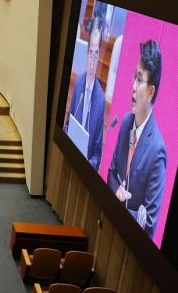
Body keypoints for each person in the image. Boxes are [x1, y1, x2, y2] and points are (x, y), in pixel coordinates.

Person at [107, 40, 166, 238]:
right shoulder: (125, 123)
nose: (133, 86)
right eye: (135, 77)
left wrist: (123, 207)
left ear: (150, 92)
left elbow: (149, 221)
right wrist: (117, 194)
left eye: (139, 80)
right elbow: (112, 172)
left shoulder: (157, 149)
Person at [64, 15, 106, 170]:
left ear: (99, 56)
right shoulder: (79, 83)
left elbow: (97, 155)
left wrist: (88, 166)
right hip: (70, 155)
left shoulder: (100, 99)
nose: (92, 61)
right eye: (90, 53)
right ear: (86, 52)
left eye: (96, 54)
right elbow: (68, 124)